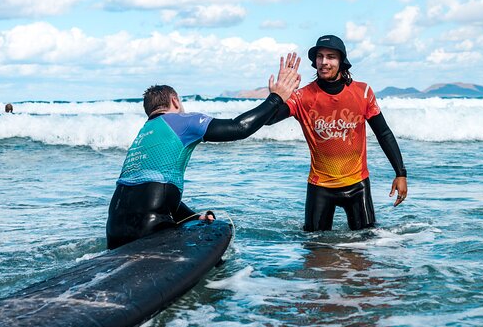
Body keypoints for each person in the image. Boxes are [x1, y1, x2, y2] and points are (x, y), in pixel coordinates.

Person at [106, 53, 302, 249]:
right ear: (175, 101)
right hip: (150, 230)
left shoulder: (143, 134)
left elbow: (148, 189)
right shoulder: (182, 121)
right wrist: (276, 99)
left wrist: (192, 217)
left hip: (114, 229)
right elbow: (239, 128)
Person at [266, 35, 407, 231]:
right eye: (320, 56)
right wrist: (277, 96)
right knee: (315, 250)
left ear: (342, 61)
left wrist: (400, 173)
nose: (324, 62)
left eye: (331, 56)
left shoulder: (362, 92)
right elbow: (268, 119)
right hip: (320, 187)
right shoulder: (302, 97)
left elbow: (384, 133)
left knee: (364, 248)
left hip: (358, 185)